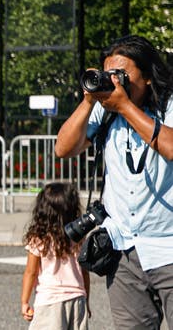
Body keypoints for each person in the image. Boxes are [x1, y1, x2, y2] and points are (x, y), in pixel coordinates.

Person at [55, 35, 173, 329]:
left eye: (122, 76)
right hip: (123, 248)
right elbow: (63, 148)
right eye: (109, 75)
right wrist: (88, 101)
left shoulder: (169, 105)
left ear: (146, 77)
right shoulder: (104, 110)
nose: (115, 82)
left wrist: (125, 107)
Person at [20, 182, 90, 329]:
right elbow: (85, 272)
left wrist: (24, 301)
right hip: (78, 299)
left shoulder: (39, 238)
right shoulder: (78, 238)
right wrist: (86, 300)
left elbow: (31, 272)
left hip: (50, 301)